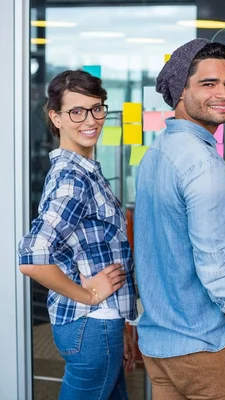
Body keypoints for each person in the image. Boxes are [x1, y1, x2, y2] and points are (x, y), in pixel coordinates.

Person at [134, 38, 225, 400]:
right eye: (208, 83)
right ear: (181, 92)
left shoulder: (156, 154)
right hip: (208, 350)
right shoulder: (204, 166)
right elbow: (218, 268)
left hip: (159, 348)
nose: (224, 93)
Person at [18, 70, 138, 400]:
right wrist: (88, 296)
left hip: (101, 323)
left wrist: (120, 322)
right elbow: (32, 256)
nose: (91, 119)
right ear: (55, 117)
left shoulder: (84, 171)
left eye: (97, 108)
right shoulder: (73, 179)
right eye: (76, 111)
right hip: (91, 324)